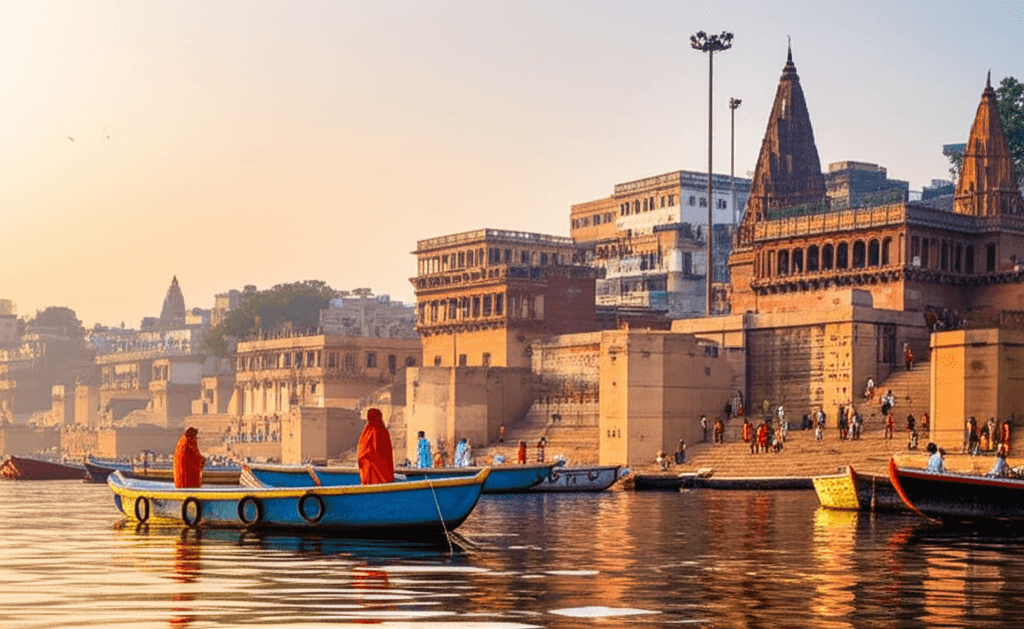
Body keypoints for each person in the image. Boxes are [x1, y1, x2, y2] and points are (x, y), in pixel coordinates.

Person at [357, 407, 395, 484]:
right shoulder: (381, 431)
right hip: (375, 470)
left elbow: (362, 451)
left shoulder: (366, 432)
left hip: (369, 469)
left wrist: (367, 455)